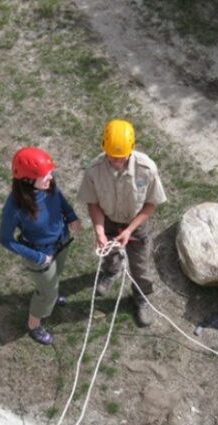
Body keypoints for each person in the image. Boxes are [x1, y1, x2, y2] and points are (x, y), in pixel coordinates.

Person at [77, 119, 167, 327]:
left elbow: (150, 205)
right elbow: (93, 204)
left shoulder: (147, 169)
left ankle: (141, 297)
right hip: (107, 221)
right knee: (109, 253)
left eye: (121, 158)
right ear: (103, 148)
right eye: (111, 157)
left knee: (140, 266)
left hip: (136, 225)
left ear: (132, 149)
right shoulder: (94, 170)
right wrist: (99, 231)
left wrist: (130, 230)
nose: (116, 163)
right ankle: (111, 271)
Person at [0, 146, 81, 345]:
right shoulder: (14, 207)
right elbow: (5, 239)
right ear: (27, 180)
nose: (50, 178)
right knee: (46, 294)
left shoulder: (49, 187)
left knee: (56, 276)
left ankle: (52, 292)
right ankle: (34, 326)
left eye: (50, 173)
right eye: (45, 176)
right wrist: (37, 257)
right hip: (40, 254)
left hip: (61, 242)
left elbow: (60, 199)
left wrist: (71, 216)